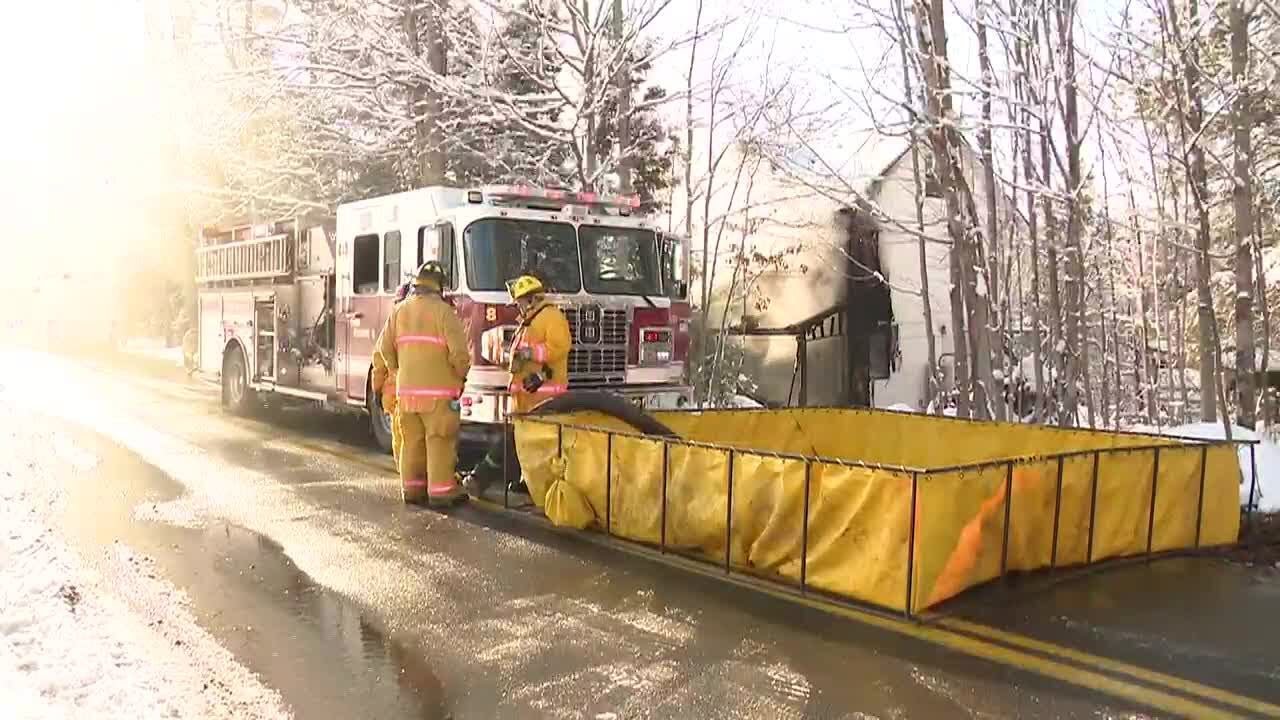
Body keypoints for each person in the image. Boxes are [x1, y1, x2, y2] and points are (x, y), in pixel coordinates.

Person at [465, 274, 571, 496]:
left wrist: (531, 353)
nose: (518, 308)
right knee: (523, 445)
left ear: (531, 299)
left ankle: (480, 478)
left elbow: (559, 347)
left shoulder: (551, 317)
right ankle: (523, 483)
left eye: (520, 303)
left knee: (515, 442)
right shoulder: (528, 321)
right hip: (525, 399)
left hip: (543, 399)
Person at [376, 263, 471, 507]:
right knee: (440, 441)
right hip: (439, 395)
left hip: (406, 394)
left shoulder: (399, 311)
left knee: (412, 443)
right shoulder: (444, 313)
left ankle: (412, 490)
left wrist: (400, 370)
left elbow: (385, 348)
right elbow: (460, 354)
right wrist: (461, 377)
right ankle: (441, 491)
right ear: (438, 285)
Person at [371, 280, 414, 470]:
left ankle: (406, 475)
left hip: (395, 395)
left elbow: (378, 361)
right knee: (407, 439)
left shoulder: (392, 326)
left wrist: (376, 390)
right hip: (405, 396)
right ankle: (409, 477)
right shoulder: (414, 325)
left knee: (401, 439)